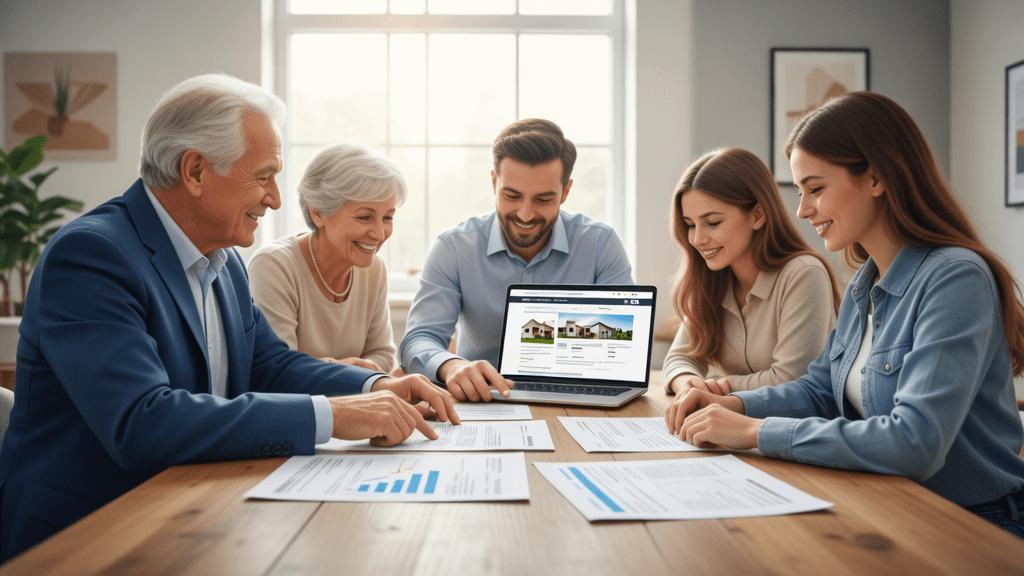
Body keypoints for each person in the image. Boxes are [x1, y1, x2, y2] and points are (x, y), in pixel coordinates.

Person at [0, 73, 458, 560]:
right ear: (195, 171)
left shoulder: (224, 260)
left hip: (191, 509)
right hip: (90, 535)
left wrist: (373, 387)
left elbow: (270, 365)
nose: (277, 199)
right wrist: (334, 414)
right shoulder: (93, 255)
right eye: (264, 176)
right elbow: (141, 422)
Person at [666, 92, 1024, 538]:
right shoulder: (865, 282)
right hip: (890, 505)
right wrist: (733, 404)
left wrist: (755, 431)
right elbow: (820, 388)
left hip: (972, 523)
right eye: (800, 192)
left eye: (816, 189)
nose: (802, 210)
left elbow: (915, 443)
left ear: (875, 177)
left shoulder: (955, 278)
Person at [399, 118, 634, 402]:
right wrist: (452, 366)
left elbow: (622, 344)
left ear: (566, 191)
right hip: (482, 403)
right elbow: (418, 339)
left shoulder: (600, 245)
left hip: (580, 402)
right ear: (494, 182)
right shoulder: (454, 248)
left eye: (543, 200)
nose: (525, 214)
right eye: (511, 195)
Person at [663, 147, 839, 400]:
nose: (698, 239)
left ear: (757, 215)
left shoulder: (804, 275)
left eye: (712, 222)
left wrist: (716, 386)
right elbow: (680, 357)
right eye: (690, 225)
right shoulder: (712, 278)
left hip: (792, 431)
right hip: (735, 428)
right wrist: (687, 383)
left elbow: (791, 380)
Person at [249, 143, 403, 372]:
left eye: (388, 218)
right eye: (364, 217)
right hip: (299, 408)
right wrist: (349, 373)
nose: (379, 234)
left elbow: (383, 353)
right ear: (318, 213)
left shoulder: (374, 269)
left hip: (356, 403)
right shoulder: (273, 265)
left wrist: (349, 372)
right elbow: (278, 371)